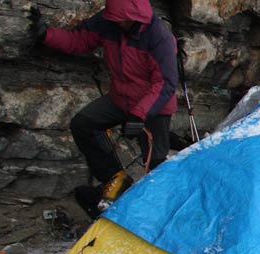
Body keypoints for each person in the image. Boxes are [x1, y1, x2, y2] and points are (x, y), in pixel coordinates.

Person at [28, 0, 178, 218]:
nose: (115, 23)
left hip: (154, 107)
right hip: (121, 99)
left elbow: (164, 83)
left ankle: (156, 215)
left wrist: (139, 115)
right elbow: (79, 40)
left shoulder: (159, 38)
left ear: (133, 18)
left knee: (154, 165)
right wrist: (46, 34)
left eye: (120, 20)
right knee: (84, 124)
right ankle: (115, 178)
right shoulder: (109, 22)